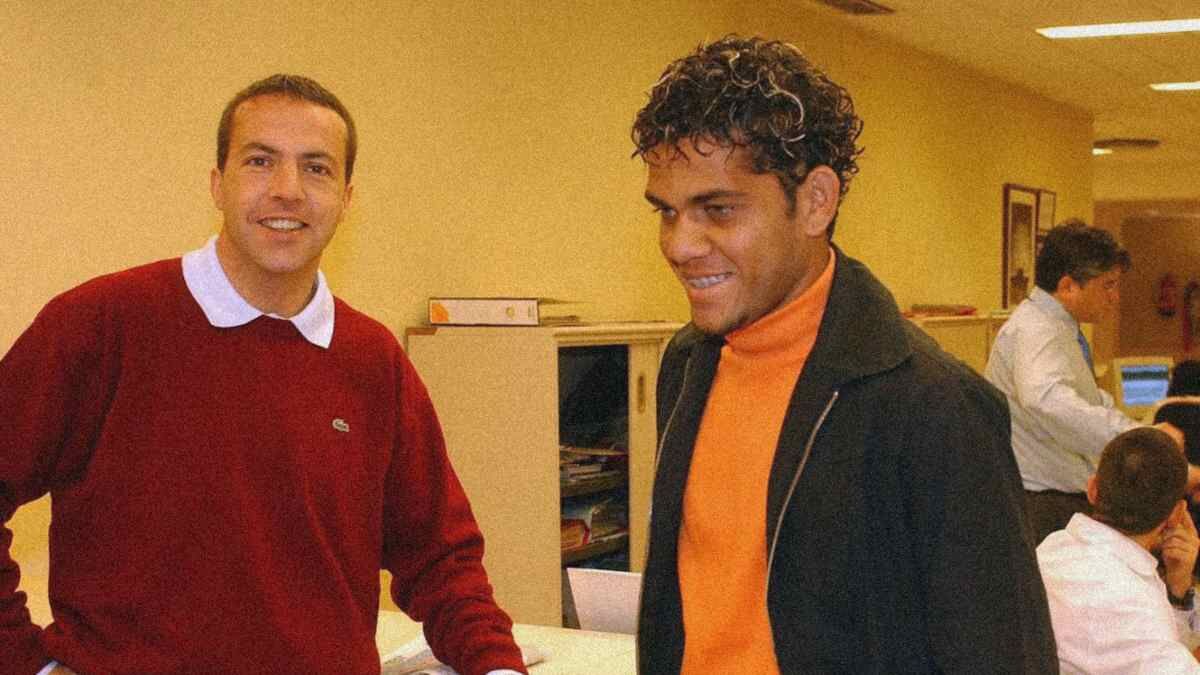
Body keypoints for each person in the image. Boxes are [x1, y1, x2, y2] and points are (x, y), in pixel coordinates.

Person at [0, 75, 525, 675]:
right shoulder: (102, 325)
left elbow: (442, 560)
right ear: (217, 184)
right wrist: (24, 662)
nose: (287, 191)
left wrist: (496, 666)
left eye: (316, 169)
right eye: (260, 161)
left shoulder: (372, 360)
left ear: (347, 199)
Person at [631, 36, 1056, 673]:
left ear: (815, 202)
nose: (680, 244)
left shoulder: (935, 408)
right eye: (666, 212)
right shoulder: (689, 365)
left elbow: (1003, 656)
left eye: (717, 209)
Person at [985, 220, 1183, 544]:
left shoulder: (1056, 327)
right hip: (1043, 502)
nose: (1114, 297)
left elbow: (1081, 398)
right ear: (1068, 287)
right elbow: (1047, 400)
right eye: (1108, 285)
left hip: (1054, 496)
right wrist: (1133, 435)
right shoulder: (1036, 331)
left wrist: (1136, 430)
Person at [1037, 427, 1200, 673]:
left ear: (1093, 489)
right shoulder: (1130, 602)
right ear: (1177, 514)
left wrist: (1178, 592)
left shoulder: (1051, 549)